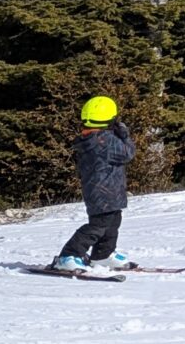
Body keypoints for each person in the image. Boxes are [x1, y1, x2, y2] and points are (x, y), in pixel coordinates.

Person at [49, 96, 135, 274]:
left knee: (112, 223)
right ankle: (68, 255)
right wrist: (124, 134)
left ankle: (103, 254)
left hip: (103, 192)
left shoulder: (90, 139)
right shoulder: (105, 141)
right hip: (106, 193)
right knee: (98, 226)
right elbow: (128, 153)